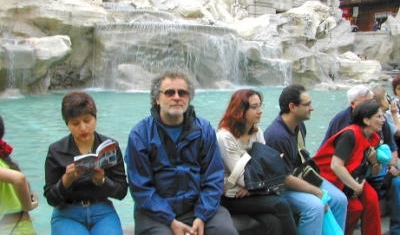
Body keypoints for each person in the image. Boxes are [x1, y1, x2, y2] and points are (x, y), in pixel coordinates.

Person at [125, 71, 238, 235]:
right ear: (157, 99)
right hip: (154, 212)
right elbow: (141, 188)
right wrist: (170, 220)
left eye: (182, 93)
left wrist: (201, 215)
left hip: (196, 207)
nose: (177, 97)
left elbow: (213, 178)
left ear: (189, 98)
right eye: (170, 92)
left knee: (226, 231)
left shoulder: (204, 130)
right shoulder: (140, 135)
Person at [264, 84, 347, 235]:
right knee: (315, 207)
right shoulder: (276, 136)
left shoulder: (300, 125)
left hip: (298, 176)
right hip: (279, 187)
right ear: (292, 107)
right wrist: (316, 191)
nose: (312, 108)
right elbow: (283, 178)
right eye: (307, 104)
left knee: (340, 200)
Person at [44, 91, 127, 235]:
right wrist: (66, 180)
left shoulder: (110, 147)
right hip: (67, 213)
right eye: (75, 123)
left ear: (95, 118)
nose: (82, 128)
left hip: (102, 211)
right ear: (67, 124)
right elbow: (51, 199)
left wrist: (101, 180)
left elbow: (121, 192)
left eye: (87, 120)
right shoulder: (56, 151)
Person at [217, 89, 297, 235]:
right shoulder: (225, 137)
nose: (260, 111)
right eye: (254, 107)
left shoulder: (257, 132)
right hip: (233, 196)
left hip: (252, 192)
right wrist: (254, 181)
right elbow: (242, 178)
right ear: (239, 110)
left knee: (273, 222)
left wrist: (252, 187)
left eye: (260, 106)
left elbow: (269, 167)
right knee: (281, 204)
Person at [313, 100, 384, 235]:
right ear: (366, 120)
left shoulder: (373, 137)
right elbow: (335, 165)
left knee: (372, 198)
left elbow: (375, 171)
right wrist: (355, 186)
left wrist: (375, 161)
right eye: (379, 117)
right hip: (329, 178)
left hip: (354, 179)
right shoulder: (350, 135)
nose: (383, 120)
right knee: (354, 207)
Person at [0, 115, 38, 234]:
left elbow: (19, 179)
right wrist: (28, 205)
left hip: (9, 229)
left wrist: (28, 206)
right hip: (22, 225)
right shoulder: (4, 160)